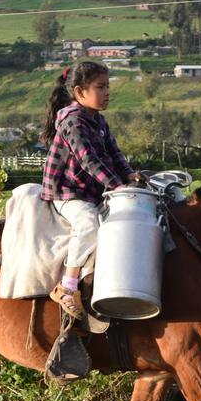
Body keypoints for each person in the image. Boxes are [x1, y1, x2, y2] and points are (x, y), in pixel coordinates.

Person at [40, 61, 143, 379]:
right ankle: (68, 287)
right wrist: (117, 187)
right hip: (68, 193)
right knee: (90, 227)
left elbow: (113, 154)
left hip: (92, 192)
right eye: (100, 87)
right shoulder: (71, 120)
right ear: (80, 92)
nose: (107, 92)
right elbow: (88, 159)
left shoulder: (97, 120)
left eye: (108, 86)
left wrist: (129, 175)